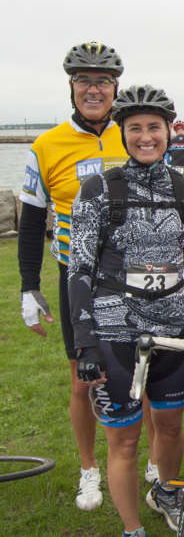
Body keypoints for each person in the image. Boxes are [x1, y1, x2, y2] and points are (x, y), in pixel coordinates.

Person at [68, 85, 184, 536]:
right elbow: (79, 268)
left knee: (171, 428)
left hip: (174, 327)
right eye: (134, 128)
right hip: (115, 334)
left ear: (166, 132)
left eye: (153, 128)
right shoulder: (97, 188)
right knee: (124, 440)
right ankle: (132, 529)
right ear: (122, 133)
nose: (145, 137)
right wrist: (84, 344)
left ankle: (168, 493)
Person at [18, 41, 128, 511]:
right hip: (75, 275)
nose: (94, 89)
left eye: (102, 80)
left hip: (132, 274)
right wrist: (28, 286)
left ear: (115, 87)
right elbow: (28, 223)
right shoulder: (45, 145)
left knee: (136, 368)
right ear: (71, 86)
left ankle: (143, 461)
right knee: (83, 380)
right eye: (84, 80)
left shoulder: (137, 132)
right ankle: (89, 470)